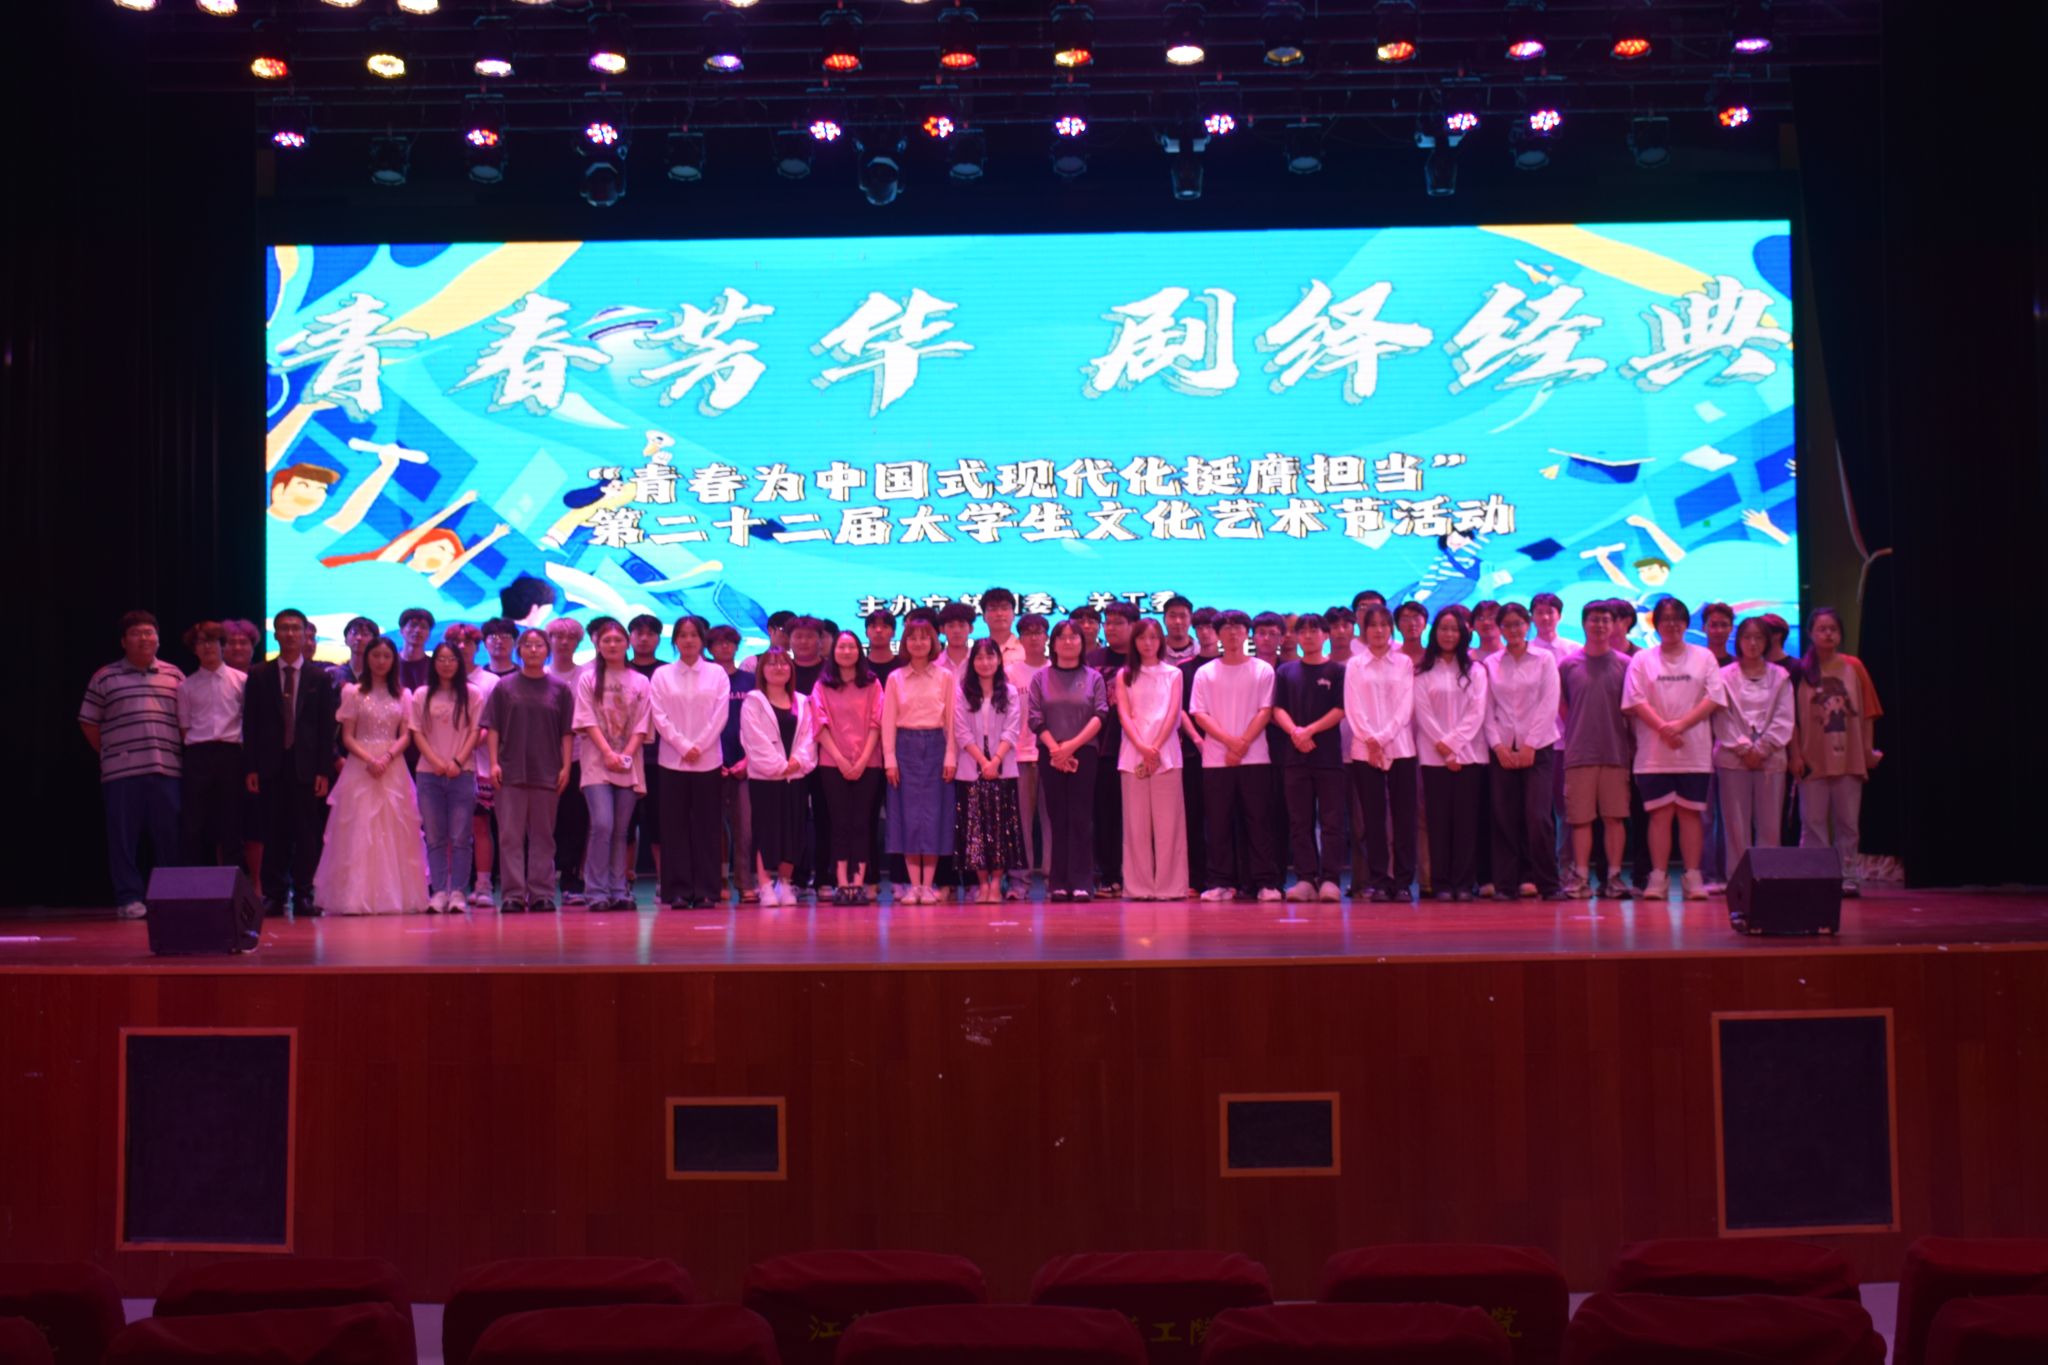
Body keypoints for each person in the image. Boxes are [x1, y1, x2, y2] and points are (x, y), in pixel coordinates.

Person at [1621, 596, 1726, 900]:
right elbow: (1635, 699)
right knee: (1660, 815)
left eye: (1677, 619)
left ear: (1686, 623)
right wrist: (1663, 728)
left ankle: (1693, 877)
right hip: (1654, 753)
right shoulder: (1643, 659)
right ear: (1656, 623)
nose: (1671, 625)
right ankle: (1658, 876)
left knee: (1690, 814)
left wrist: (1679, 726)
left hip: (1694, 751)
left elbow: (1713, 697)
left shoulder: (1704, 656)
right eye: (1665, 619)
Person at [80, 610, 184, 918]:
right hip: (121, 773)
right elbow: (88, 721)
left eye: (149, 633)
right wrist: (112, 752)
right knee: (123, 839)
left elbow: (186, 721)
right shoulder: (105, 677)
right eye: (136, 634)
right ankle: (129, 898)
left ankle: (170, 897)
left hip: (167, 770)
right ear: (124, 641)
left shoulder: (174, 675)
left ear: (158, 639)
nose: (144, 639)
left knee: (169, 838)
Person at [313, 637, 427, 915]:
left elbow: (406, 735)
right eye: (376, 655)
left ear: (393, 660)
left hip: (392, 765)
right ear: (367, 658)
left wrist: (386, 757)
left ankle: (394, 896)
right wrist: (369, 759)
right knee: (358, 828)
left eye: (386, 656)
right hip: (360, 766)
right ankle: (353, 897)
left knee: (395, 827)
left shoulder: (404, 694)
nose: (381, 661)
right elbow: (347, 736)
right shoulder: (352, 692)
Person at [241, 608, 339, 917]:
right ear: (275, 634)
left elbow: (326, 728)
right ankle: (274, 894)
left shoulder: (319, 677)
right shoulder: (259, 674)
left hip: (307, 767)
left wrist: (324, 770)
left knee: (307, 833)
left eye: (296, 628)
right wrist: (251, 767)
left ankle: (304, 894)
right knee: (273, 831)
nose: (291, 634)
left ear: (306, 633)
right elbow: (250, 724)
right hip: (270, 765)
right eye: (284, 628)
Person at [1790, 606, 1882, 896]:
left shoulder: (1854, 666)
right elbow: (1791, 719)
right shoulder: (1801, 671)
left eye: (1833, 629)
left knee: (1848, 823)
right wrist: (1795, 755)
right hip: (1813, 759)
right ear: (1810, 633)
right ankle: (1815, 875)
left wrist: (1867, 750)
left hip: (1849, 757)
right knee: (1813, 823)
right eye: (1822, 629)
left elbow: (1868, 712)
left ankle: (1848, 876)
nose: (1828, 634)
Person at [1190, 610, 1280, 903]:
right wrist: (1231, 743)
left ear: (1247, 633)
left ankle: (1265, 882)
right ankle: (1220, 882)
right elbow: (1199, 713)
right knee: (1218, 823)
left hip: (1256, 758)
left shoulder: (1262, 670)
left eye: (1238, 628)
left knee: (1259, 821)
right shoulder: (1205, 672)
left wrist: (1243, 743)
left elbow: (1265, 710)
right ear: (1217, 634)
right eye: (1225, 628)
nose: (1232, 633)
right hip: (1216, 760)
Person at [485, 628, 576, 913]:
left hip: (547, 771)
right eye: (528, 645)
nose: (534, 650)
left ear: (547, 650)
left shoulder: (560, 689)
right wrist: (493, 763)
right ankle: (513, 894)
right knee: (510, 836)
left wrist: (566, 767)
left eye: (539, 645)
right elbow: (493, 728)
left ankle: (541, 893)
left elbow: (567, 733)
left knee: (543, 837)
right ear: (519, 650)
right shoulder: (504, 687)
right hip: (510, 771)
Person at [1483, 604, 1564, 900]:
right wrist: (1497, 746)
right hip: (1503, 747)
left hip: (1538, 748)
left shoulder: (1544, 659)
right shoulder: (1491, 662)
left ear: (1527, 625)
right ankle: (1506, 884)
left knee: (1538, 816)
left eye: (1519, 624)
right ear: (1500, 629)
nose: (1514, 630)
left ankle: (1548, 883)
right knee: (1504, 817)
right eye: (1507, 625)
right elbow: (1486, 707)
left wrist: (1530, 744)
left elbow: (1549, 703)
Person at [650, 616, 730, 910]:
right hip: (672, 761)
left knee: (708, 827)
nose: (688, 640)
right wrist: (683, 745)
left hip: (708, 760)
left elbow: (720, 714)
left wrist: (700, 745)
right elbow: (659, 715)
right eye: (682, 635)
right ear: (674, 641)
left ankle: (707, 890)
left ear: (702, 639)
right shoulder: (662, 675)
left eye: (693, 635)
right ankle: (678, 891)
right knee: (674, 827)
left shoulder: (716, 673)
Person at [1414, 607, 1490, 902]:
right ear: (1435, 633)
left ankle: (1464, 882)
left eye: (1454, 629)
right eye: (1443, 629)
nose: (1448, 634)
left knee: (1466, 822)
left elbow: (1476, 712)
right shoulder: (1422, 672)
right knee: (1438, 821)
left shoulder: (1476, 671)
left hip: (1470, 755)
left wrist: (1454, 745)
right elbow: (1423, 713)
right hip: (1433, 757)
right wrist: (1444, 747)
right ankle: (1442, 882)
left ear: (1463, 634)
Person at [574, 620, 651, 912]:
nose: (612, 645)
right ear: (597, 645)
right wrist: (608, 753)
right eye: (606, 640)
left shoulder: (640, 681)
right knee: (602, 824)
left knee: (621, 830)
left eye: (618, 640)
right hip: (597, 762)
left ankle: (619, 889)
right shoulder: (588, 679)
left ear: (627, 644)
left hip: (629, 764)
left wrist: (626, 755)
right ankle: (595, 891)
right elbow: (586, 718)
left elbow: (643, 723)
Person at [1557, 601, 1632, 899]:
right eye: (1594, 620)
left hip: (1615, 753)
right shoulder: (1568, 665)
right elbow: (1563, 705)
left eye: (1605, 620)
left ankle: (1614, 877)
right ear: (1584, 623)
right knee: (1580, 819)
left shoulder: (1626, 664)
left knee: (1614, 818)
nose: (1599, 625)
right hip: (1579, 754)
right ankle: (1581, 877)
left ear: (1614, 625)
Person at [1029, 620, 1107, 902]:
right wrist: (1056, 750)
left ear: (1082, 643)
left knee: (1081, 818)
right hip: (1050, 752)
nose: (1068, 642)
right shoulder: (1040, 678)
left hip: (1084, 752)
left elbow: (1100, 714)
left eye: (1074, 637)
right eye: (1062, 637)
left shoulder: (1093, 677)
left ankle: (1082, 881)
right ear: (1053, 643)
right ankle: (1058, 882)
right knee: (1057, 817)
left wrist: (1071, 747)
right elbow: (1034, 717)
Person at [1344, 604, 1418, 903]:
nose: (1378, 630)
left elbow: (1405, 705)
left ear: (1391, 629)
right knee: (1373, 819)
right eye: (1372, 625)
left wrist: (1383, 738)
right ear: (1365, 630)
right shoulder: (1355, 664)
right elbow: (1353, 706)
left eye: (1384, 625)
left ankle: (1402, 881)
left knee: (1404, 818)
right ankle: (1378, 879)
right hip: (1365, 751)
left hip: (1400, 748)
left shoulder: (1403, 662)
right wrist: (1371, 741)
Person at [882, 615, 957, 903]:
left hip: (937, 745)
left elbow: (951, 720)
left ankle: (928, 885)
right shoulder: (895, 678)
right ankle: (914, 886)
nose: (918, 643)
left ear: (933, 642)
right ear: (905, 643)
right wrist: (890, 760)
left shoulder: (945, 677)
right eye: (912, 638)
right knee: (909, 817)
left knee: (935, 816)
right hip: (905, 748)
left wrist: (950, 755)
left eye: (924, 637)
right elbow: (888, 721)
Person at [1272, 610, 1346, 902]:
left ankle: (1330, 879)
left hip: (1328, 758)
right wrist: (1296, 732)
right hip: (1295, 757)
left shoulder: (1337, 671)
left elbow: (1340, 709)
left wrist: (1310, 731)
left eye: (1314, 631)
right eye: (1302, 631)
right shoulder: (1285, 672)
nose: (1308, 636)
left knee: (1331, 822)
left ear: (1325, 635)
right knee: (1299, 821)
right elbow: (1277, 709)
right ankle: (1305, 879)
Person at [1714, 617, 1796, 875]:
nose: (1752, 643)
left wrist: (1762, 748)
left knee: (1770, 824)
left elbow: (1785, 717)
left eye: (1758, 637)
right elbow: (1721, 716)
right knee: (1735, 825)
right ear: (1738, 641)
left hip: (1770, 759)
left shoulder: (1780, 676)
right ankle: (1738, 880)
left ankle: (1767, 878)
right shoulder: (1723, 676)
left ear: (1767, 641)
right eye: (1747, 637)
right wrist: (1743, 748)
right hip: (1732, 758)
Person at [1115, 617, 1188, 902]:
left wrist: (1155, 747)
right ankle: (1139, 887)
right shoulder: (1125, 675)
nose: (1148, 643)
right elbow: (1124, 714)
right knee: (1136, 826)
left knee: (1169, 825)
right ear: (1134, 642)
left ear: (1161, 641)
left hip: (1166, 753)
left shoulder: (1173, 674)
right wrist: (1142, 747)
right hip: (1133, 753)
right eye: (1142, 638)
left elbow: (1173, 714)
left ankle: (1171, 887)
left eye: (1153, 638)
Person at [741, 649, 817, 906]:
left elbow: (809, 737)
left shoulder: (803, 701)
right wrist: (779, 766)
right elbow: (754, 739)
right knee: (765, 831)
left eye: (784, 663)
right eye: (771, 664)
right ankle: (764, 885)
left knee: (793, 832)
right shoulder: (753, 701)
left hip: (795, 777)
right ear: (761, 670)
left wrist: (796, 763)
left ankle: (785, 883)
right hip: (765, 779)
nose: (778, 668)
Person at [814, 630, 884, 904]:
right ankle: (842, 883)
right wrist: (841, 760)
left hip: (869, 762)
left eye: (851, 647)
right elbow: (818, 724)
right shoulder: (823, 685)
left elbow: (877, 722)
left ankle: (859, 882)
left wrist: (863, 759)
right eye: (841, 647)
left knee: (862, 823)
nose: (846, 652)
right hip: (832, 763)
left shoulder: (872, 683)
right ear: (834, 652)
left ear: (859, 651)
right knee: (839, 822)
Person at [954, 638, 1025, 903]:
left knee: (1000, 828)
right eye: (980, 657)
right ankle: (982, 884)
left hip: (1002, 766)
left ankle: (996, 884)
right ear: (972, 662)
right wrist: (983, 762)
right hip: (971, 766)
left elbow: (1012, 729)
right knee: (975, 829)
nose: (985, 662)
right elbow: (961, 731)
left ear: (998, 660)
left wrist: (995, 761)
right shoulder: (962, 692)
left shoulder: (1010, 692)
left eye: (990, 657)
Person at [409, 642, 480, 912]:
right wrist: (437, 762)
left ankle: (459, 892)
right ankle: (439, 891)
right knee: (435, 836)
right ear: (433, 662)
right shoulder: (422, 694)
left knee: (461, 836)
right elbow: (416, 732)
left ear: (459, 663)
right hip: (429, 774)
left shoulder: (472, 694)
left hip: (463, 773)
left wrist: (458, 761)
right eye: (441, 659)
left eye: (452, 659)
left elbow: (475, 732)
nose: (447, 664)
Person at [176, 621, 245, 869]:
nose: (207, 647)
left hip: (231, 754)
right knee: (194, 821)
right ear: (194, 649)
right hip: (198, 755)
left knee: (232, 820)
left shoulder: (241, 680)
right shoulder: (186, 686)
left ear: (222, 645)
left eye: (212, 641)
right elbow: (184, 726)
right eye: (201, 642)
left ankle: (233, 880)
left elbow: (248, 721)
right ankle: (194, 880)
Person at [1088, 602, 1137, 894]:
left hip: (1139, 748)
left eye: (1119, 623)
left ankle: (1139, 873)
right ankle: (1109, 875)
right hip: (1102, 748)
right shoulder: (1092, 660)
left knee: (1138, 816)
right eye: (1108, 623)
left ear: (1134, 626)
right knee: (1105, 815)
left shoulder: (1143, 658)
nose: (1111, 628)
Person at [708, 624, 755, 903]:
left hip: (746, 765)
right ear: (710, 648)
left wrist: (748, 760)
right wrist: (714, 759)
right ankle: (718, 881)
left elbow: (761, 723)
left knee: (745, 829)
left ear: (737, 646)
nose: (725, 647)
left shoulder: (750, 681)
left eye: (730, 642)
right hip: (711, 762)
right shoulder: (705, 680)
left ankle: (745, 882)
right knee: (714, 828)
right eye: (718, 643)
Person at [1178, 606, 1222, 894]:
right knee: (1193, 817)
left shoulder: (1232, 664)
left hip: (1227, 751)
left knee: (1223, 817)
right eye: (1201, 627)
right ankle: (1196, 879)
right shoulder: (1184, 669)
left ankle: (1225, 877)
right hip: (1194, 753)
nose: (1205, 633)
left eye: (1210, 627)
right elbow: (1181, 709)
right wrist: (1197, 739)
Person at [1007, 612, 1053, 889]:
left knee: (1053, 821)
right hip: (1018, 755)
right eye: (1028, 633)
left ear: (1047, 637)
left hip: (1052, 754)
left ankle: (1052, 878)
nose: (1034, 638)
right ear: (1020, 639)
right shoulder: (1010, 672)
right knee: (1020, 823)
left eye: (1039, 632)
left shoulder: (1056, 669)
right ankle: (1019, 882)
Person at [626, 613, 665, 892]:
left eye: (650, 633)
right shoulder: (618, 670)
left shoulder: (666, 672)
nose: (643, 638)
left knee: (660, 825)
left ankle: (666, 883)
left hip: (660, 759)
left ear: (658, 639)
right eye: (638, 633)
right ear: (629, 637)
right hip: (624, 759)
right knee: (624, 826)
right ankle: (623, 882)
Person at [981, 587, 1024, 666]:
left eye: (1004, 608)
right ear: (984, 617)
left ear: (1014, 615)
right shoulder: (978, 652)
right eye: (993, 609)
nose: (999, 613)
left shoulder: (1025, 649)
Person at [396, 608, 436, 691]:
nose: (418, 630)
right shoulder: (390, 663)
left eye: (423, 627)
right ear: (401, 630)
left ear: (429, 634)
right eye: (413, 625)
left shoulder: (434, 666)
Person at [1528, 592, 1571, 662]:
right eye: (1539, 613)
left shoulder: (1574, 650)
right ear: (1532, 617)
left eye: (1550, 612)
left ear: (1560, 616)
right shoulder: (1525, 651)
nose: (1545, 617)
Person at [937, 602, 977, 675]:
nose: (957, 631)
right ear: (942, 629)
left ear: (971, 629)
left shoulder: (979, 661)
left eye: (962, 626)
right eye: (951, 626)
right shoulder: (935, 663)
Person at [1161, 595, 1200, 665]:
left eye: (1183, 616)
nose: (1178, 621)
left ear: (1191, 620)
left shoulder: (1200, 652)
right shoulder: (1154, 652)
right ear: (1164, 620)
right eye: (1172, 616)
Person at [864, 608, 900, 682]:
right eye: (873, 626)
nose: (878, 630)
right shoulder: (860, 667)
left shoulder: (903, 666)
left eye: (885, 626)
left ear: (893, 633)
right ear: (866, 633)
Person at [1394, 601, 1429, 667]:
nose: (1412, 623)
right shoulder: (1391, 659)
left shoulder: (1433, 658)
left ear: (1425, 624)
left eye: (1416, 618)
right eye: (1405, 619)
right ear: (1397, 626)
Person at [1702, 602, 1736, 667]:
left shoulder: (1737, 665)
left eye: (1724, 625)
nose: (1719, 630)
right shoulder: (1694, 662)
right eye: (1714, 625)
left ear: (1731, 628)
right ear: (1704, 628)